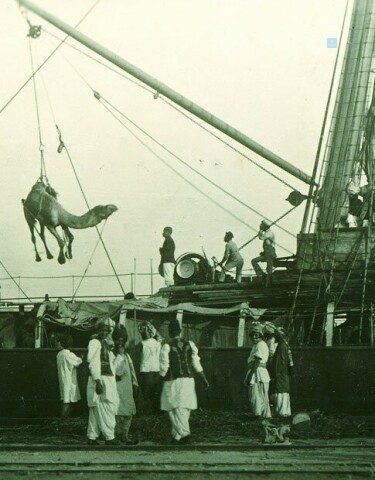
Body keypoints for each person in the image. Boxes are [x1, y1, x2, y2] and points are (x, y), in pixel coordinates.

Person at [159, 318, 209, 444]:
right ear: (180, 331)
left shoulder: (166, 346)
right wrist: (204, 378)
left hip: (173, 381)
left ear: (170, 332)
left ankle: (184, 433)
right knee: (184, 408)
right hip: (188, 380)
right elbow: (196, 363)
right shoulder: (190, 344)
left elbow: (164, 366)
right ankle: (176, 436)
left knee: (172, 407)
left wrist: (160, 378)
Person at [86, 319, 119, 445]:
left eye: (107, 330)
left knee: (96, 408)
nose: (105, 332)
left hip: (106, 378)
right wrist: (98, 380)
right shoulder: (95, 342)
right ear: (98, 330)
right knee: (106, 407)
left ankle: (92, 436)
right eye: (102, 330)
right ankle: (109, 437)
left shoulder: (105, 343)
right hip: (100, 378)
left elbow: (111, 363)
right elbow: (93, 361)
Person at [112, 326, 139, 445]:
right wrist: (119, 355)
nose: (120, 343)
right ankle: (115, 435)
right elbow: (117, 372)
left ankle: (125, 435)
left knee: (128, 412)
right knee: (117, 412)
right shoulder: (112, 355)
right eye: (118, 340)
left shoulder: (127, 355)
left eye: (123, 340)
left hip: (127, 388)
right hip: (117, 388)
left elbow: (132, 371)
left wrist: (135, 384)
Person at [244, 323, 271, 419]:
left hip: (257, 372)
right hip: (257, 371)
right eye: (252, 335)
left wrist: (251, 374)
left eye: (257, 335)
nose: (254, 337)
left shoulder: (260, 345)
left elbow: (258, 360)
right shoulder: (257, 345)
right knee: (258, 394)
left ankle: (259, 414)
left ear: (261, 336)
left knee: (256, 394)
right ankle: (261, 414)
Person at [267, 327, 293, 418]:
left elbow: (279, 362)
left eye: (276, 335)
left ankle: (282, 413)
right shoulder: (285, 345)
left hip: (280, 375)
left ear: (280, 336)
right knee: (282, 392)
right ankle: (284, 412)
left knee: (280, 392)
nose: (275, 337)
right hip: (283, 374)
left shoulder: (281, 346)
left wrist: (275, 374)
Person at [56, 333, 82, 418]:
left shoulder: (59, 354)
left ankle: (64, 417)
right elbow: (78, 362)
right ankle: (63, 418)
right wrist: (81, 357)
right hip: (68, 380)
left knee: (65, 399)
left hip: (63, 379)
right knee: (67, 400)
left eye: (58, 341)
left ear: (62, 343)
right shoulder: (67, 354)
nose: (56, 343)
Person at [138, 320, 163, 413]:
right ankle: (156, 413)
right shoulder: (158, 343)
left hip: (145, 371)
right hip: (156, 370)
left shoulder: (142, 344)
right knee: (155, 395)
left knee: (145, 394)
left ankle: (145, 413)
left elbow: (139, 359)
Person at [251, 220, 276, 286]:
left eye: (261, 225)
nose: (260, 226)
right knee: (254, 261)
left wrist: (260, 232)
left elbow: (261, 238)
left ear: (265, 226)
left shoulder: (269, 233)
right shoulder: (267, 232)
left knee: (269, 269)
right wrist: (264, 252)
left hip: (270, 253)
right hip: (267, 252)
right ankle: (261, 275)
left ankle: (267, 285)